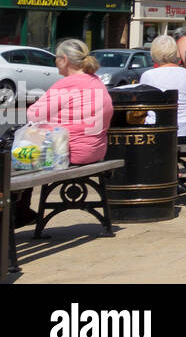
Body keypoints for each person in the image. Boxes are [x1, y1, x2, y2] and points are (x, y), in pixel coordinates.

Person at [13, 39, 115, 226]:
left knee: (16, 157)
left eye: (56, 58)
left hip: (67, 153)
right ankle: (21, 212)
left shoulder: (67, 85)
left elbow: (33, 114)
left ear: (64, 59)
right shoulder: (96, 81)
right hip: (94, 151)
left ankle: (19, 212)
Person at [140, 35, 186, 141]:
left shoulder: (148, 75)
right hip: (184, 130)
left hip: (156, 131)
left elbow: (143, 104)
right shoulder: (185, 73)